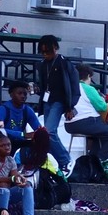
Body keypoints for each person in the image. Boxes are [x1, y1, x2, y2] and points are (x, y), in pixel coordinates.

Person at [37, 35, 81, 173]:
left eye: (48, 52)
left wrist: (70, 106)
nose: (45, 55)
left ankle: (65, 160)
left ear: (55, 48)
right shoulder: (43, 65)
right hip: (48, 101)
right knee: (48, 133)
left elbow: (74, 86)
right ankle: (61, 162)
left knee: (48, 132)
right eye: (43, 52)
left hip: (60, 101)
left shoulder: (64, 63)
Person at [65, 65, 108, 161]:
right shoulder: (88, 88)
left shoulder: (68, 87)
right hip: (86, 122)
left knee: (99, 135)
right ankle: (98, 160)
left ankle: (90, 160)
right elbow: (102, 107)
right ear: (88, 76)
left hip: (69, 124)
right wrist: (101, 99)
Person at [0, 80, 41, 152]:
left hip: (21, 144)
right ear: (11, 94)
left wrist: (40, 134)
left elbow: (39, 128)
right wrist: (23, 134)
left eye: (25, 94)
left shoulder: (27, 110)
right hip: (5, 144)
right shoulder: (2, 109)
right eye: (19, 93)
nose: (23, 96)